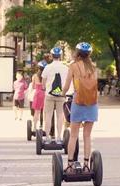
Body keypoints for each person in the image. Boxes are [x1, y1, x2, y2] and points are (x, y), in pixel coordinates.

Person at [61, 42, 98, 173]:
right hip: (92, 104)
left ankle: (70, 165)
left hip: (78, 102)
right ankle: (87, 165)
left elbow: (66, 86)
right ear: (89, 54)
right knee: (87, 136)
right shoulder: (93, 67)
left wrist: (62, 94)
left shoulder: (73, 66)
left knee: (73, 136)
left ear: (77, 53)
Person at [41, 47, 68, 142]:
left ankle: (47, 137)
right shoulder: (65, 68)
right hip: (61, 95)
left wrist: (44, 87)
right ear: (60, 56)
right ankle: (59, 137)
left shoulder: (47, 67)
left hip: (49, 95)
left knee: (48, 115)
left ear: (51, 56)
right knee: (60, 115)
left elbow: (43, 83)